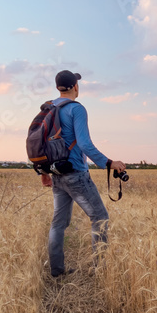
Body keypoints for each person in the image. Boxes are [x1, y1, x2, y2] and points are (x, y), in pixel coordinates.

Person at [42, 69, 127, 278]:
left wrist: (43, 172)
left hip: (56, 175)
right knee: (100, 217)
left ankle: (57, 270)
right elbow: (85, 144)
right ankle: (101, 270)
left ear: (57, 88)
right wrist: (109, 163)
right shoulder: (76, 110)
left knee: (58, 223)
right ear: (75, 87)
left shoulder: (49, 108)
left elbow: (41, 144)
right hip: (76, 175)